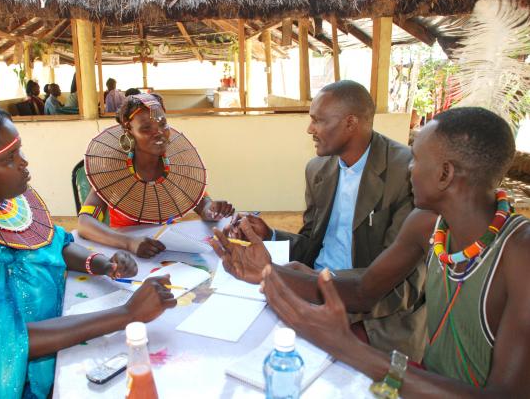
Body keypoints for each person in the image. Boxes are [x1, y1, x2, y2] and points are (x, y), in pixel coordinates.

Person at [212, 107, 530, 397]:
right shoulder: (426, 225)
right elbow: (365, 291)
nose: (409, 169)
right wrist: (267, 271)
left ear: (445, 174)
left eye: (417, 159)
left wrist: (349, 347)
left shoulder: (520, 254)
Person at [0, 95, 177, 398]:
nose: (23, 162)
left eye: (18, 150)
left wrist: (101, 263)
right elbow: (5, 342)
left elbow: (52, 241)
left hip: (51, 351)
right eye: (8, 159)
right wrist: (127, 314)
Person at [230, 80, 426, 360]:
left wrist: (321, 281)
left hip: (374, 314)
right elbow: (312, 244)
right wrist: (270, 234)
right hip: (312, 288)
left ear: (350, 123)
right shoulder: (318, 169)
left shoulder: (405, 172)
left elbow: (401, 281)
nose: (310, 129)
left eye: (318, 121)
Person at [78, 93, 234, 258]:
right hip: (127, 254)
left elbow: (202, 204)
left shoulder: (177, 165)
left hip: (170, 249)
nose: (158, 132)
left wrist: (212, 210)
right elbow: (85, 222)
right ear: (129, 132)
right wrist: (129, 242)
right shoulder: (114, 171)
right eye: (146, 128)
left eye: (162, 124)